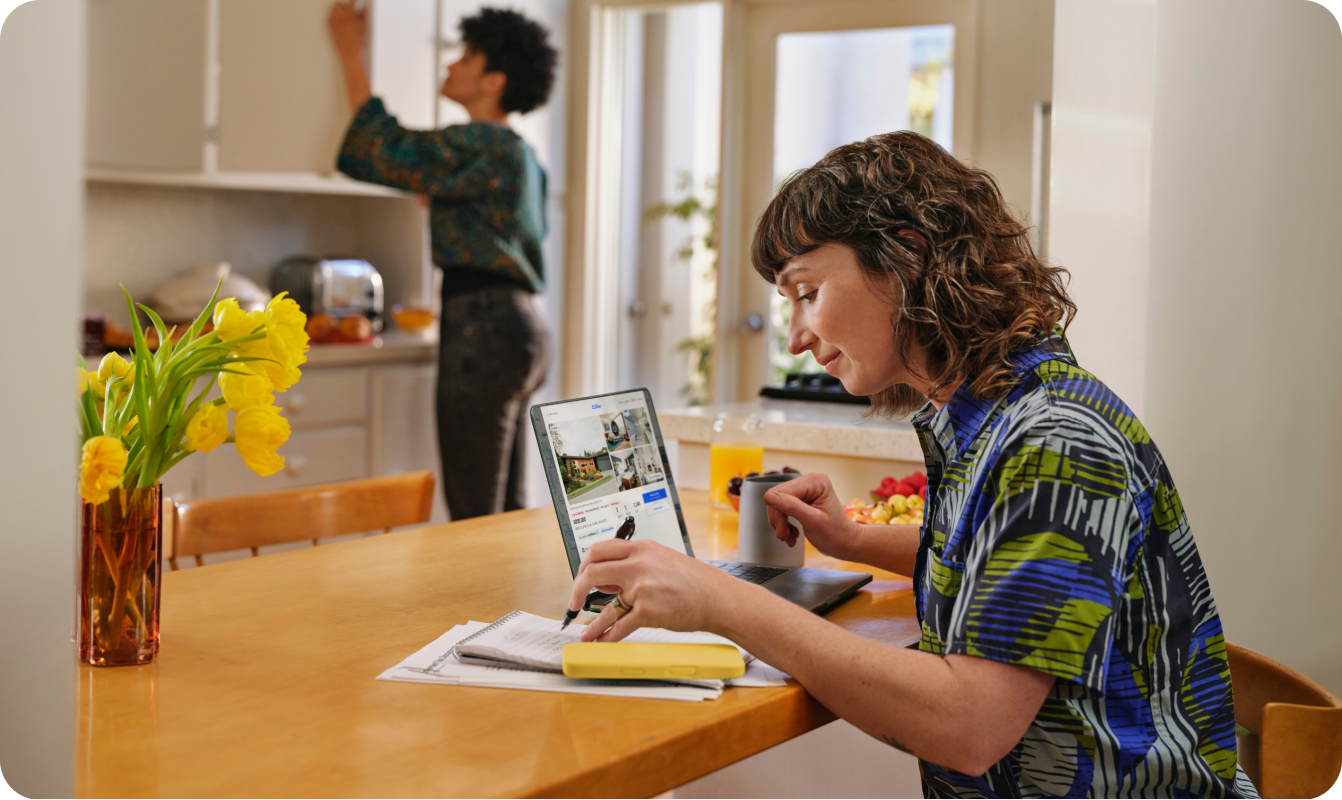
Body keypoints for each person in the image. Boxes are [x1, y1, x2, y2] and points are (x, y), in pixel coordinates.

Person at [567, 132, 1257, 797]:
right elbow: (999, 565)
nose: (798, 336)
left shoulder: (1056, 441)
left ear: (907, 252)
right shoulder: (987, 412)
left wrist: (720, 601)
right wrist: (856, 540)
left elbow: (970, 726)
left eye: (807, 292)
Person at [328, 2, 557, 519]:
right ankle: (512, 602)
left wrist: (349, 50)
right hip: (524, 329)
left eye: (466, 57)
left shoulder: (481, 141)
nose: (450, 65)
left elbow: (380, 147)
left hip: (482, 326)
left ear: (493, 81)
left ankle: (485, 604)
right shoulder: (521, 155)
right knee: (506, 511)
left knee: (474, 513)